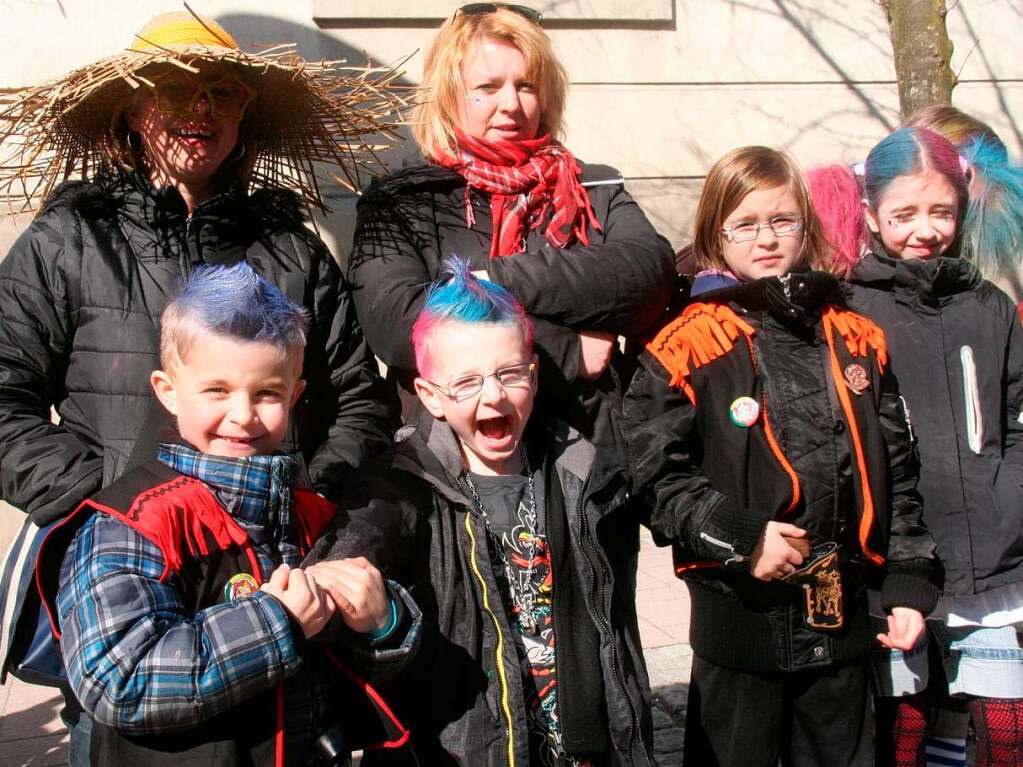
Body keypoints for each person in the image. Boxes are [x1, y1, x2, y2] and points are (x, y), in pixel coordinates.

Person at [0, 9, 400, 763]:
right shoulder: (69, 240)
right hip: (128, 584)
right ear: (127, 105)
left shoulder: (290, 246)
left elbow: (359, 396)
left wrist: (308, 499)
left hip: (276, 581)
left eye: (222, 91)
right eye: (172, 89)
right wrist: (107, 498)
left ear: (245, 114)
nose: (199, 109)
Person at [624, 146, 939, 767]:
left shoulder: (855, 337)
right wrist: (741, 538)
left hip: (841, 620)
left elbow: (898, 471)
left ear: (807, 226)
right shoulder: (685, 345)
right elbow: (655, 477)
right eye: (745, 224)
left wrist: (907, 581)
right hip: (741, 622)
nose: (766, 238)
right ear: (716, 233)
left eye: (783, 221)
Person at [35, 263, 419, 766]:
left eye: (267, 394)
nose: (242, 415)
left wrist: (384, 621)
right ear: (167, 389)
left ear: (295, 396)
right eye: (217, 390)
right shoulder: (129, 523)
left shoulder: (308, 513)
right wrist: (275, 620)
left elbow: (349, 657)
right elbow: (118, 679)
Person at [305, 258, 655, 766]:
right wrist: (374, 614)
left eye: (509, 373)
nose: (493, 394)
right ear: (431, 396)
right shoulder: (400, 490)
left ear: (533, 377)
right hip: (467, 749)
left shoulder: (585, 474)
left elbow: (614, 636)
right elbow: (353, 559)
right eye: (466, 382)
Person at [347, 3, 675, 452]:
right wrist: (565, 347)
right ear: (449, 96)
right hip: (451, 462)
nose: (511, 104)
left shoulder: (591, 185)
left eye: (526, 86)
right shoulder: (402, 200)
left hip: (588, 448)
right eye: (487, 87)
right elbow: (398, 322)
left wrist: (487, 279)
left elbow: (647, 275)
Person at [812, 127, 1023, 767]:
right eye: (903, 214)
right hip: (895, 557)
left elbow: (1014, 416)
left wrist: (1012, 494)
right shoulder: (848, 308)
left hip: (993, 547)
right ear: (871, 214)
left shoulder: (990, 306)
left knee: (1003, 725)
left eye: (941, 212)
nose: (923, 230)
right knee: (905, 720)